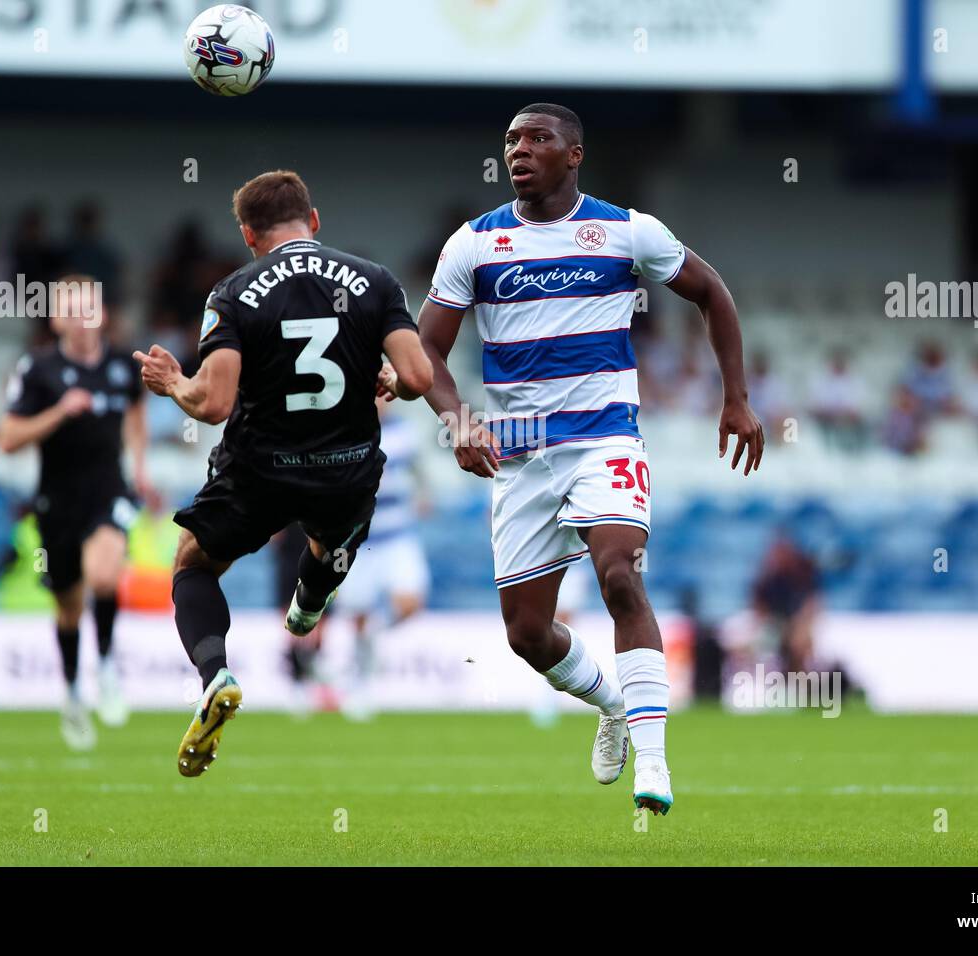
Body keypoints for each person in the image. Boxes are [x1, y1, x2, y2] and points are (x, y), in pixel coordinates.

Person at [416, 103, 764, 815]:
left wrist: (737, 397)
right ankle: (609, 705)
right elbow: (426, 350)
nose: (520, 150)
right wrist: (456, 420)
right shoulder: (474, 245)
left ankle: (657, 766)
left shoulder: (627, 230)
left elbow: (712, 292)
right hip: (517, 460)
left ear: (573, 154)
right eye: (512, 139)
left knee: (619, 578)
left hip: (605, 442)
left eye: (537, 139)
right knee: (527, 635)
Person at [132, 170, 432, 777]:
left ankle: (215, 674)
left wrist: (172, 385)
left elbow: (213, 404)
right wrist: (392, 381)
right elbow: (420, 378)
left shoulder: (233, 292)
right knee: (330, 538)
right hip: (345, 468)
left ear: (248, 235)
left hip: (260, 468)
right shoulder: (375, 282)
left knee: (192, 563)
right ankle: (311, 600)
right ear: (313, 221)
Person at [0, 275, 153, 750]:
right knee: (68, 606)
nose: (82, 318)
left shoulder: (124, 366)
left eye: (90, 308)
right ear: (56, 318)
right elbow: (8, 439)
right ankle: (70, 693)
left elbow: (136, 415)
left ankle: (106, 666)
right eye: (71, 309)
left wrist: (139, 468)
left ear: (101, 314)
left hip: (109, 491)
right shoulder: (37, 370)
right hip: (57, 502)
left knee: (104, 577)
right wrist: (60, 412)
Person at [333, 397, 432, 718]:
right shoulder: (346, 431)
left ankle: (376, 630)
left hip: (397, 535)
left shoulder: (405, 430)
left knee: (411, 601)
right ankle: (359, 688)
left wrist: (423, 495)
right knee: (356, 613)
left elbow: (418, 469)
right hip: (360, 541)